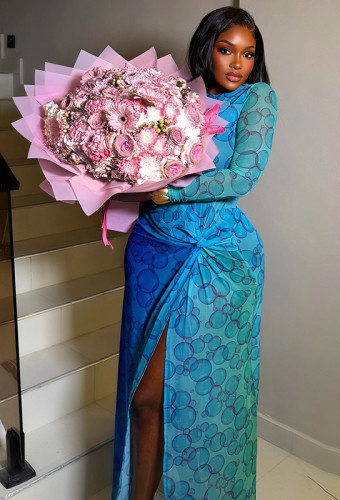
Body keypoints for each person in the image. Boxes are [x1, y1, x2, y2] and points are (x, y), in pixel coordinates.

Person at [112, 7, 278, 500]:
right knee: (141, 398)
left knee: (182, 396)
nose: (237, 63)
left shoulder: (257, 99)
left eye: (248, 54)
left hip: (211, 257)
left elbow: (244, 175)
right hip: (151, 248)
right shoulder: (175, 93)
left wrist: (171, 191)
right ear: (207, 47)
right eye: (226, 50)